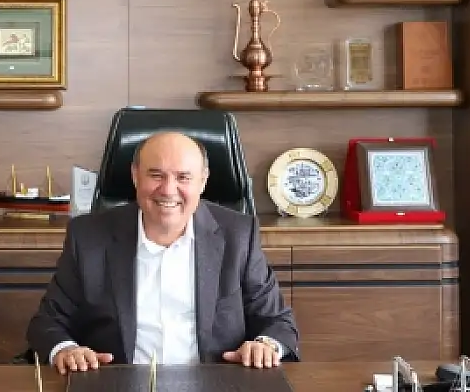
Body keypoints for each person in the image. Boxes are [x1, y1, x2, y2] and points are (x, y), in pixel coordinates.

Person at [25, 131, 300, 375]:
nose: (168, 190)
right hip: (116, 383)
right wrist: (66, 349)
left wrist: (265, 345)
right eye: (156, 175)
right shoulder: (89, 237)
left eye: (183, 177)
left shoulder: (237, 236)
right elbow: (48, 323)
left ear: (203, 181)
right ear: (135, 175)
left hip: (214, 383)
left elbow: (278, 322)